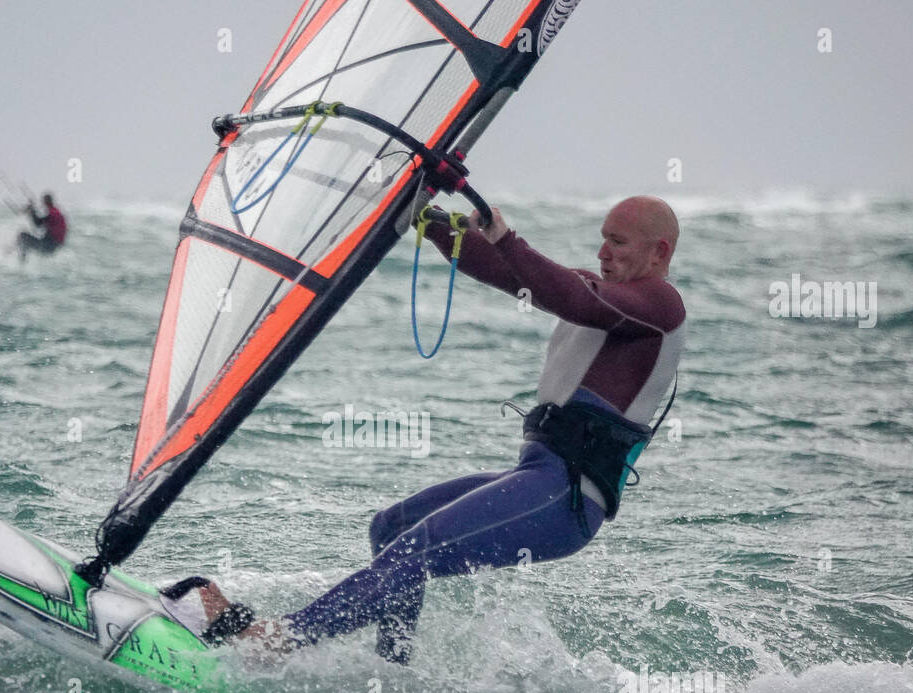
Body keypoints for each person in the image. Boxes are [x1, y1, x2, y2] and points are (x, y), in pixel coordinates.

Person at [194, 196, 685, 663]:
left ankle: (279, 640)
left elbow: (573, 296)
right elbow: (511, 274)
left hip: (565, 498)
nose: (602, 251)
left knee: (418, 549)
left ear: (658, 250)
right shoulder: (605, 296)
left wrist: (508, 238)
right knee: (392, 528)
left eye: (618, 242)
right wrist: (425, 218)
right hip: (539, 476)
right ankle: (392, 668)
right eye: (603, 238)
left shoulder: (659, 305)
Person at [17, 193, 67, 262]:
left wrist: (32, 210)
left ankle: (21, 263)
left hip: (48, 246)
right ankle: (17, 254)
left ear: (45, 202)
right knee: (26, 241)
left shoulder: (52, 214)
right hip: (54, 246)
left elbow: (37, 224)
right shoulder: (56, 212)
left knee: (23, 236)